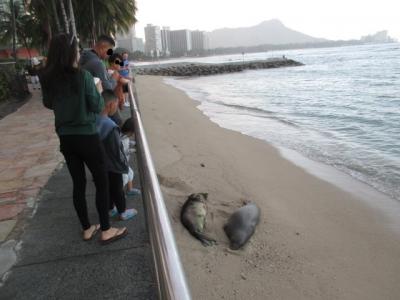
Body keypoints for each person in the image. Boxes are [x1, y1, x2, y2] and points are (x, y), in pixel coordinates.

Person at [39, 33, 127, 244]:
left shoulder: (47, 77)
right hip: (87, 135)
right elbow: (97, 106)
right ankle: (106, 230)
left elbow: (48, 103)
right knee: (101, 181)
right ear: (71, 53)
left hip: (66, 138)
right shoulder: (83, 76)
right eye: (77, 51)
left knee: (78, 184)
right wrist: (96, 92)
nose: (79, 54)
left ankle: (87, 228)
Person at [96, 90, 138, 220]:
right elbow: (117, 150)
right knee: (117, 189)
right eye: (116, 103)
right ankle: (122, 212)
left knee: (106, 189)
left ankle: (110, 209)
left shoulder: (94, 120)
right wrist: (124, 166)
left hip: (99, 164)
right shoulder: (111, 126)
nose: (117, 106)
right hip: (113, 165)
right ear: (110, 105)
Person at [79, 35, 122, 126]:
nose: (110, 54)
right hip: (98, 104)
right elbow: (107, 88)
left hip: (85, 104)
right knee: (117, 121)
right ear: (102, 47)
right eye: (109, 51)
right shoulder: (97, 63)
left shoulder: (84, 56)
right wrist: (114, 78)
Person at [120, 117, 141, 196]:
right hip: (119, 163)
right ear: (131, 131)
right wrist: (133, 150)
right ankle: (117, 196)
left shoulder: (123, 135)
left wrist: (133, 143)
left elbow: (128, 142)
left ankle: (129, 190)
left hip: (123, 163)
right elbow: (123, 152)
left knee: (130, 173)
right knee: (124, 179)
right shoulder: (122, 139)